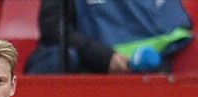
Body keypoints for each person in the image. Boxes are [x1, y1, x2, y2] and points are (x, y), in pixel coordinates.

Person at [24, 0, 193, 74]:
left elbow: (175, 33)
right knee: (57, 58)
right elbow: (53, 28)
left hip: (138, 71)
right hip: (82, 63)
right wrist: (105, 57)